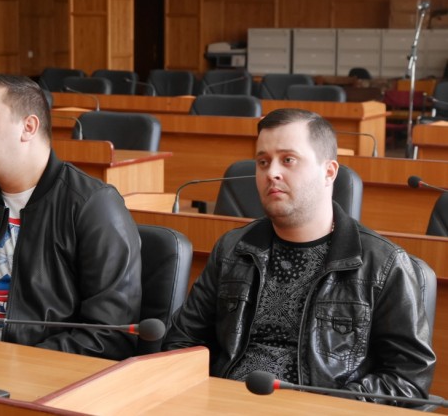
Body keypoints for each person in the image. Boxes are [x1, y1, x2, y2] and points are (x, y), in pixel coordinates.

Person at [162, 108, 436, 405]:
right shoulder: (232, 249)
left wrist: (329, 407)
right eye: (263, 162)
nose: (271, 173)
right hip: (225, 404)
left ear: (329, 172)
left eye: (288, 160)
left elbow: (408, 380)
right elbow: (182, 341)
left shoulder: (384, 264)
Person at [0, 74, 142, 360]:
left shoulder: (92, 206)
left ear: (28, 127)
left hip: (49, 373)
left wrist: (16, 366)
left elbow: (110, 334)